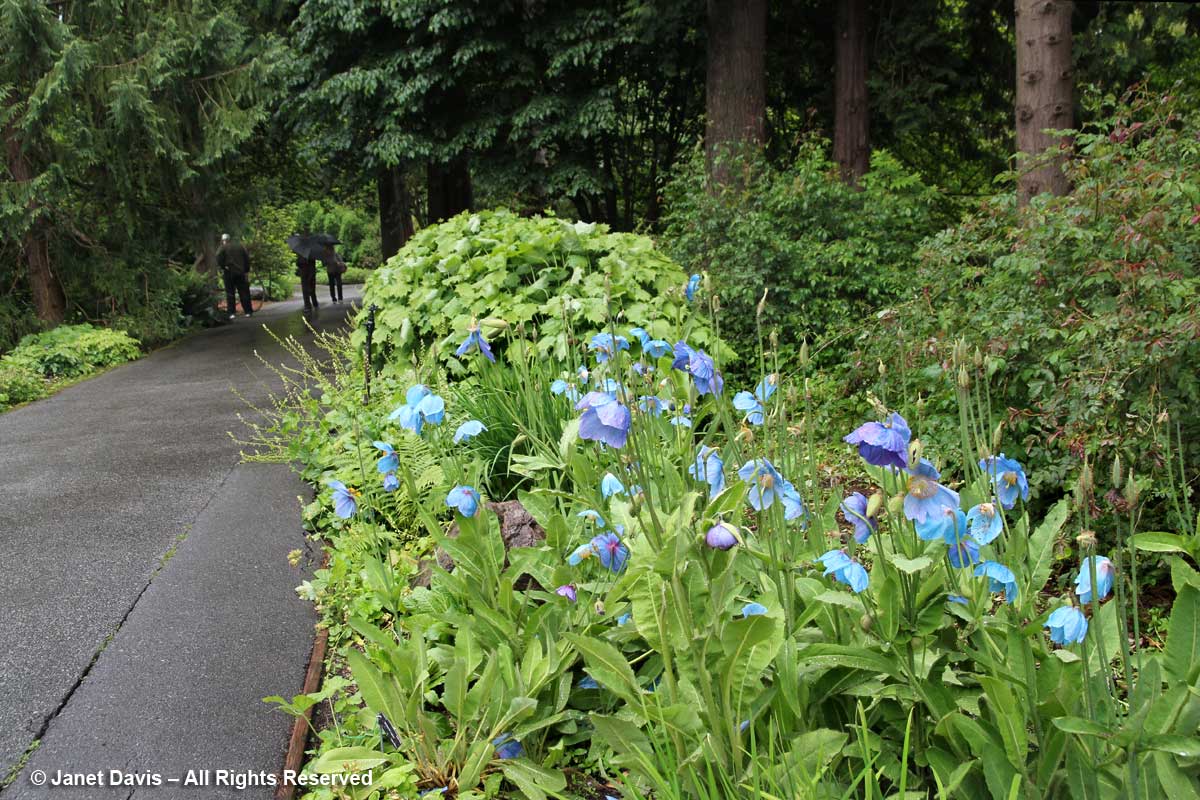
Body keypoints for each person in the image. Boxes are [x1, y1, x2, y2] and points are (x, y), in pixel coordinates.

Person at [216, 233, 253, 319]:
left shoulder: (223, 247)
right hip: (240, 272)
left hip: (229, 273)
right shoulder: (240, 246)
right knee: (244, 292)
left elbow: (218, 257)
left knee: (230, 293)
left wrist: (223, 266)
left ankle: (231, 313)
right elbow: (247, 258)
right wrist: (246, 270)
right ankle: (248, 311)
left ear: (224, 240)